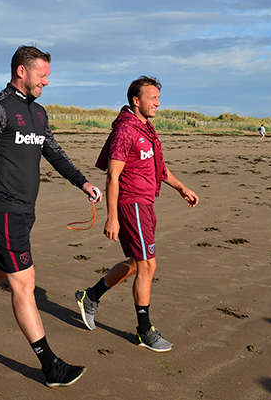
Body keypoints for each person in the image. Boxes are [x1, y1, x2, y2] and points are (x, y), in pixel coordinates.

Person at [0, 45, 100, 388]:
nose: (47, 81)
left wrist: (82, 181)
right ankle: (50, 366)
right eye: (42, 75)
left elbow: (53, 151)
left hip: (22, 212)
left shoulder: (38, 114)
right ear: (21, 72)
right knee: (24, 284)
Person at [75, 76, 199, 352]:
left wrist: (181, 188)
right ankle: (144, 331)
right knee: (147, 265)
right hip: (131, 203)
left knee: (138, 261)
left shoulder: (147, 129)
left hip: (146, 203)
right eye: (152, 97)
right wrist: (112, 216)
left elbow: (159, 168)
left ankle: (91, 296)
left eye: (158, 98)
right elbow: (113, 176)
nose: (157, 103)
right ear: (136, 100)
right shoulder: (125, 131)